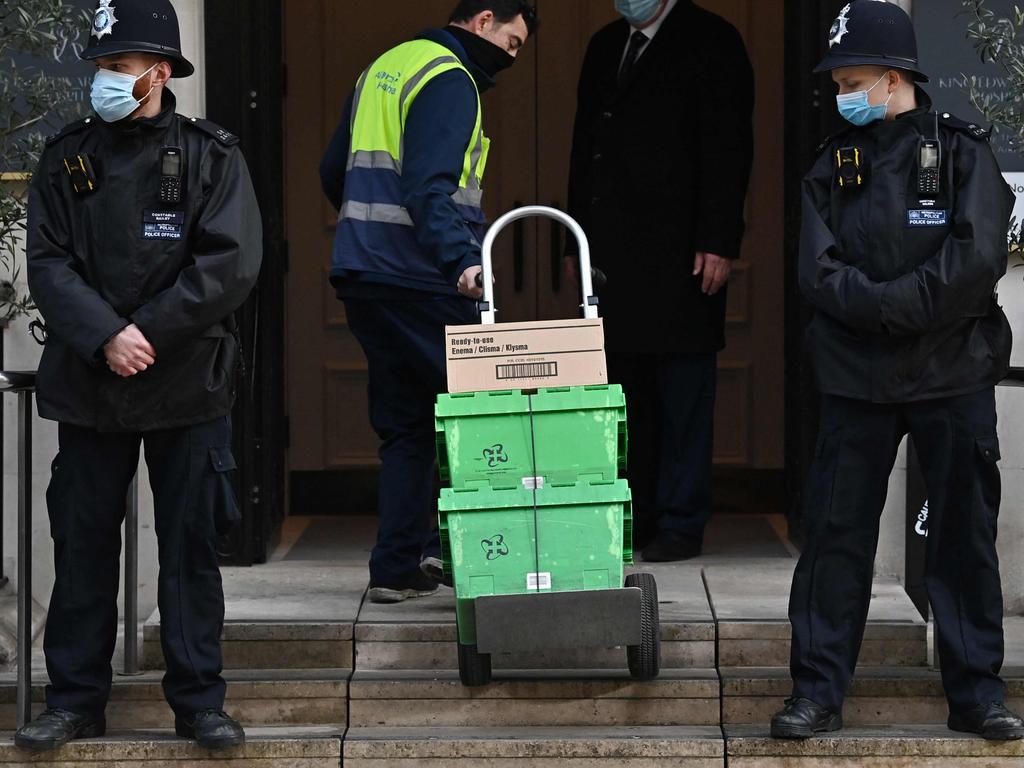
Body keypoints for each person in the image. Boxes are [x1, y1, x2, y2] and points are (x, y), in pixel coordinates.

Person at [771, 0, 1023, 742]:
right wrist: (884, 306)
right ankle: (816, 693)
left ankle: (978, 696)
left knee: (963, 540)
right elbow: (817, 272)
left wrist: (895, 304)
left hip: (953, 373)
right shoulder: (831, 165)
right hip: (855, 379)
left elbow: (975, 263)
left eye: (852, 81)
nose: (843, 96)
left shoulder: (964, 155)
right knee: (834, 541)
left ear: (893, 77)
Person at [16, 0, 262, 752]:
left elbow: (230, 265)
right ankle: (75, 701)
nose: (106, 82)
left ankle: (198, 704)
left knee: (189, 547)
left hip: (185, 380)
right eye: (101, 69)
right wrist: (105, 337)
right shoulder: (65, 157)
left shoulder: (211, 155)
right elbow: (50, 265)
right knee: (84, 542)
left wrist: (141, 333)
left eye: (119, 69)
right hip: (92, 385)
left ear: (159, 72)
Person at [320, 1, 537, 604]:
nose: (511, 58)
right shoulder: (450, 77)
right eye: (513, 43)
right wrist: (461, 260)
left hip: (365, 274)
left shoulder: (386, 66)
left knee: (407, 424)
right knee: (481, 413)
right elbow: (428, 185)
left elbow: (333, 168)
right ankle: (485, 560)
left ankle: (397, 565)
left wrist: (368, 230)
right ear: (483, 20)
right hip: (421, 279)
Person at [566, 0, 754, 562]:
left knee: (683, 393)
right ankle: (637, 514)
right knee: (627, 395)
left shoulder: (712, 40)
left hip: (684, 255)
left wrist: (720, 239)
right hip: (614, 258)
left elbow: (729, 148)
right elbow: (586, 150)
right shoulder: (604, 45)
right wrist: (577, 242)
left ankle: (680, 519)